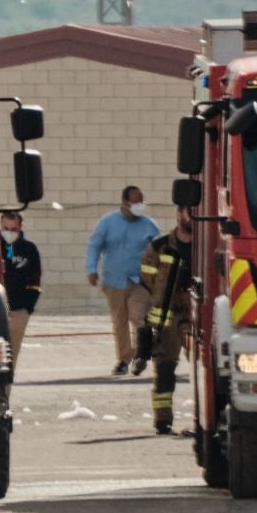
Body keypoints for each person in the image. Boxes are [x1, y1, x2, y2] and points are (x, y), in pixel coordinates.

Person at [85, 186, 160, 377]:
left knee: (139, 318)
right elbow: (94, 246)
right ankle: (124, 359)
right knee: (120, 321)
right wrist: (91, 270)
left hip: (140, 282)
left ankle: (140, 357)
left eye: (141, 201)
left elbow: (160, 251)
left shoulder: (149, 226)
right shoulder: (107, 223)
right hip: (114, 280)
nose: (139, 205)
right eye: (136, 201)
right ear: (125, 203)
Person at [137, 208, 196, 434]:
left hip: (196, 314)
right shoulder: (160, 246)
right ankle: (163, 418)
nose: (193, 216)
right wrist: (165, 296)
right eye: (189, 212)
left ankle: (208, 419)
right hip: (167, 317)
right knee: (164, 367)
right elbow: (148, 277)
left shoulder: (207, 243)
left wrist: (188, 292)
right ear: (179, 214)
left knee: (206, 367)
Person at [0, 209, 42, 366]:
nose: (9, 233)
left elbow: (35, 279)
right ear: (0, 226)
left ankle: (7, 381)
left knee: (12, 353)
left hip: (18, 310)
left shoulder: (29, 249)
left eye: (14, 229)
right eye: (6, 229)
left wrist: (28, 307)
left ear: (20, 227)